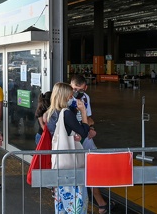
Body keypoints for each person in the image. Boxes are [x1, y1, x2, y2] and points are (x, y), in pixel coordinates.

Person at [46, 82, 92, 214]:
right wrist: (83, 111)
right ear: (65, 96)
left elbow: (64, 132)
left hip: (59, 163)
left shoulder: (51, 113)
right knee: (76, 205)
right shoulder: (66, 114)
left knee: (62, 205)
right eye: (70, 95)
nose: (72, 97)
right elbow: (83, 131)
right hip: (70, 165)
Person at [69, 75, 113, 214]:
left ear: (85, 88)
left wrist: (90, 128)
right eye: (73, 89)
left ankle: (100, 203)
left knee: (93, 167)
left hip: (85, 136)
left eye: (79, 90)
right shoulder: (65, 98)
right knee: (74, 171)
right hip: (71, 138)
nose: (76, 93)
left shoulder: (85, 98)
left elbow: (87, 118)